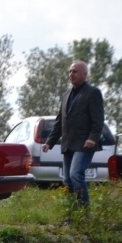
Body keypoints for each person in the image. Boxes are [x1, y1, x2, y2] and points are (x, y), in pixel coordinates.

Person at [42, 60, 105, 208]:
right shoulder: (66, 95)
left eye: (75, 71)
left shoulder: (93, 93)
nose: (71, 74)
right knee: (67, 180)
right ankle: (71, 212)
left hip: (84, 144)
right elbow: (60, 122)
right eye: (70, 71)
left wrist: (92, 138)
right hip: (69, 144)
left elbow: (98, 120)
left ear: (84, 74)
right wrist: (50, 142)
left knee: (75, 174)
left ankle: (84, 213)